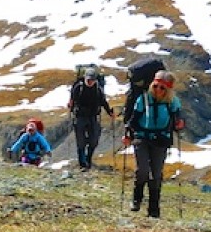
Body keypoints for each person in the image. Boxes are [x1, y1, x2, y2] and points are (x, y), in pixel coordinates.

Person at [123, 69, 183, 217]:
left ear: (168, 89)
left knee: (156, 175)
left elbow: (177, 120)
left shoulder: (173, 102)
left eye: (162, 87)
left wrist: (179, 124)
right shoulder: (143, 99)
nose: (158, 90)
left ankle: (154, 210)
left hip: (161, 140)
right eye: (155, 86)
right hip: (142, 138)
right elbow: (133, 120)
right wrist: (128, 135)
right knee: (142, 170)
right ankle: (136, 199)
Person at [68, 66, 114, 170]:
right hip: (80, 116)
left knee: (93, 140)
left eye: (92, 80)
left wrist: (109, 112)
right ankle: (82, 163)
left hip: (93, 116)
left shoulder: (98, 89)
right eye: (88, 80)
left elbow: (103, 102)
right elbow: (72, 101)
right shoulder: (78, 88)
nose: (90, 82)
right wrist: (71, 108)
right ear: (85, 78)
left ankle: (88, 159)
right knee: (81, 141)